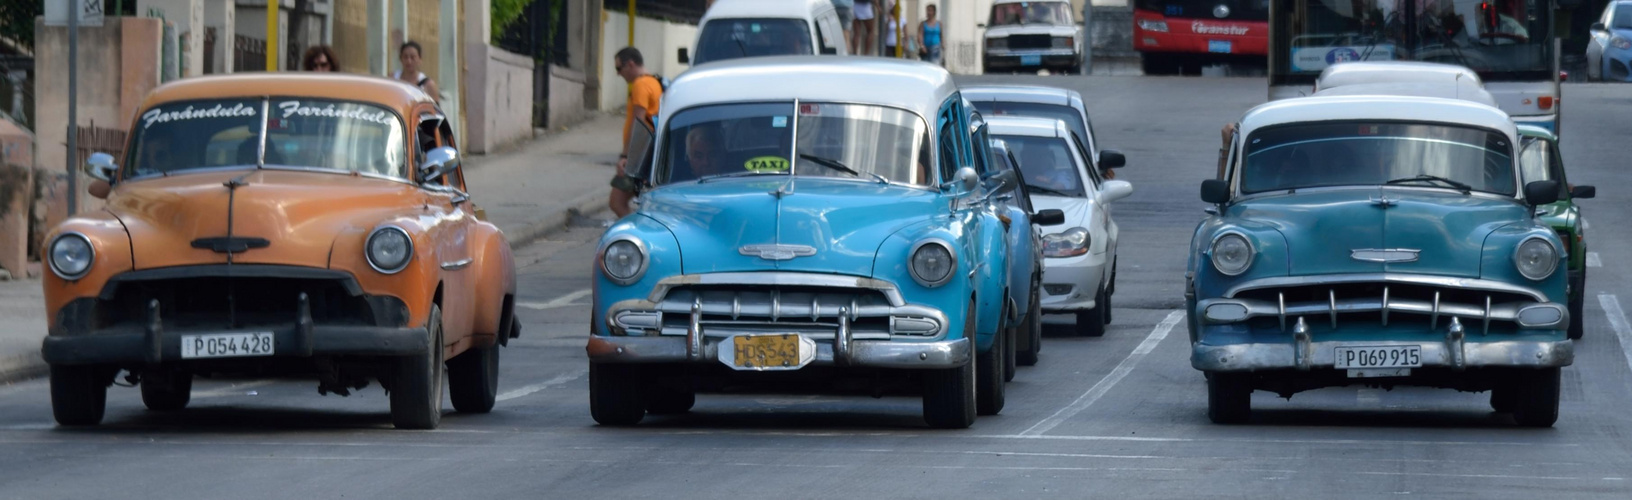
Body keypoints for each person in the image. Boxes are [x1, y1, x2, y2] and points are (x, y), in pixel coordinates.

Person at [610, 47, 663, 218]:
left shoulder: (640, 85)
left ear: (631, 64)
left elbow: (638, 123)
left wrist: (625, 156)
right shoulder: (654, 82)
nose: (618, 74)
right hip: (648, 154)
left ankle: (637, 232)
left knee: (616, 202)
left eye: (619, 68)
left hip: (639, 156)